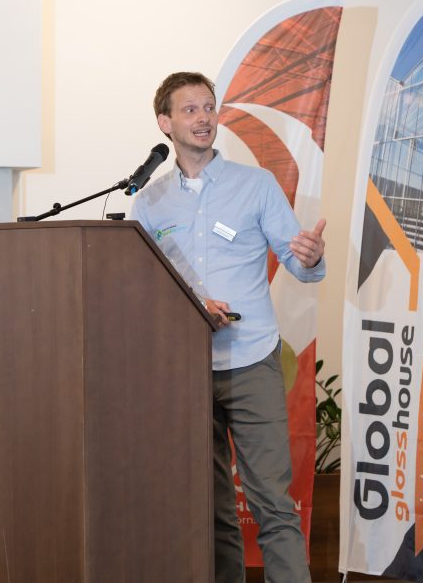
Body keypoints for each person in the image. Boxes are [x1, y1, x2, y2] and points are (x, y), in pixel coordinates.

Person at [131, 71, 326, 583]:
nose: (203, 118)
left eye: (208, 107)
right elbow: (143, 288)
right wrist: (192, 307)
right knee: (212, 509)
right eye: (190, 110)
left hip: (250, 359)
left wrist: (309, 258)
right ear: (165, 123)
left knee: (273, 504)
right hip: (186, 369)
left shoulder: (255, 185)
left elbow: (298, 260)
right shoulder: (149, 202)